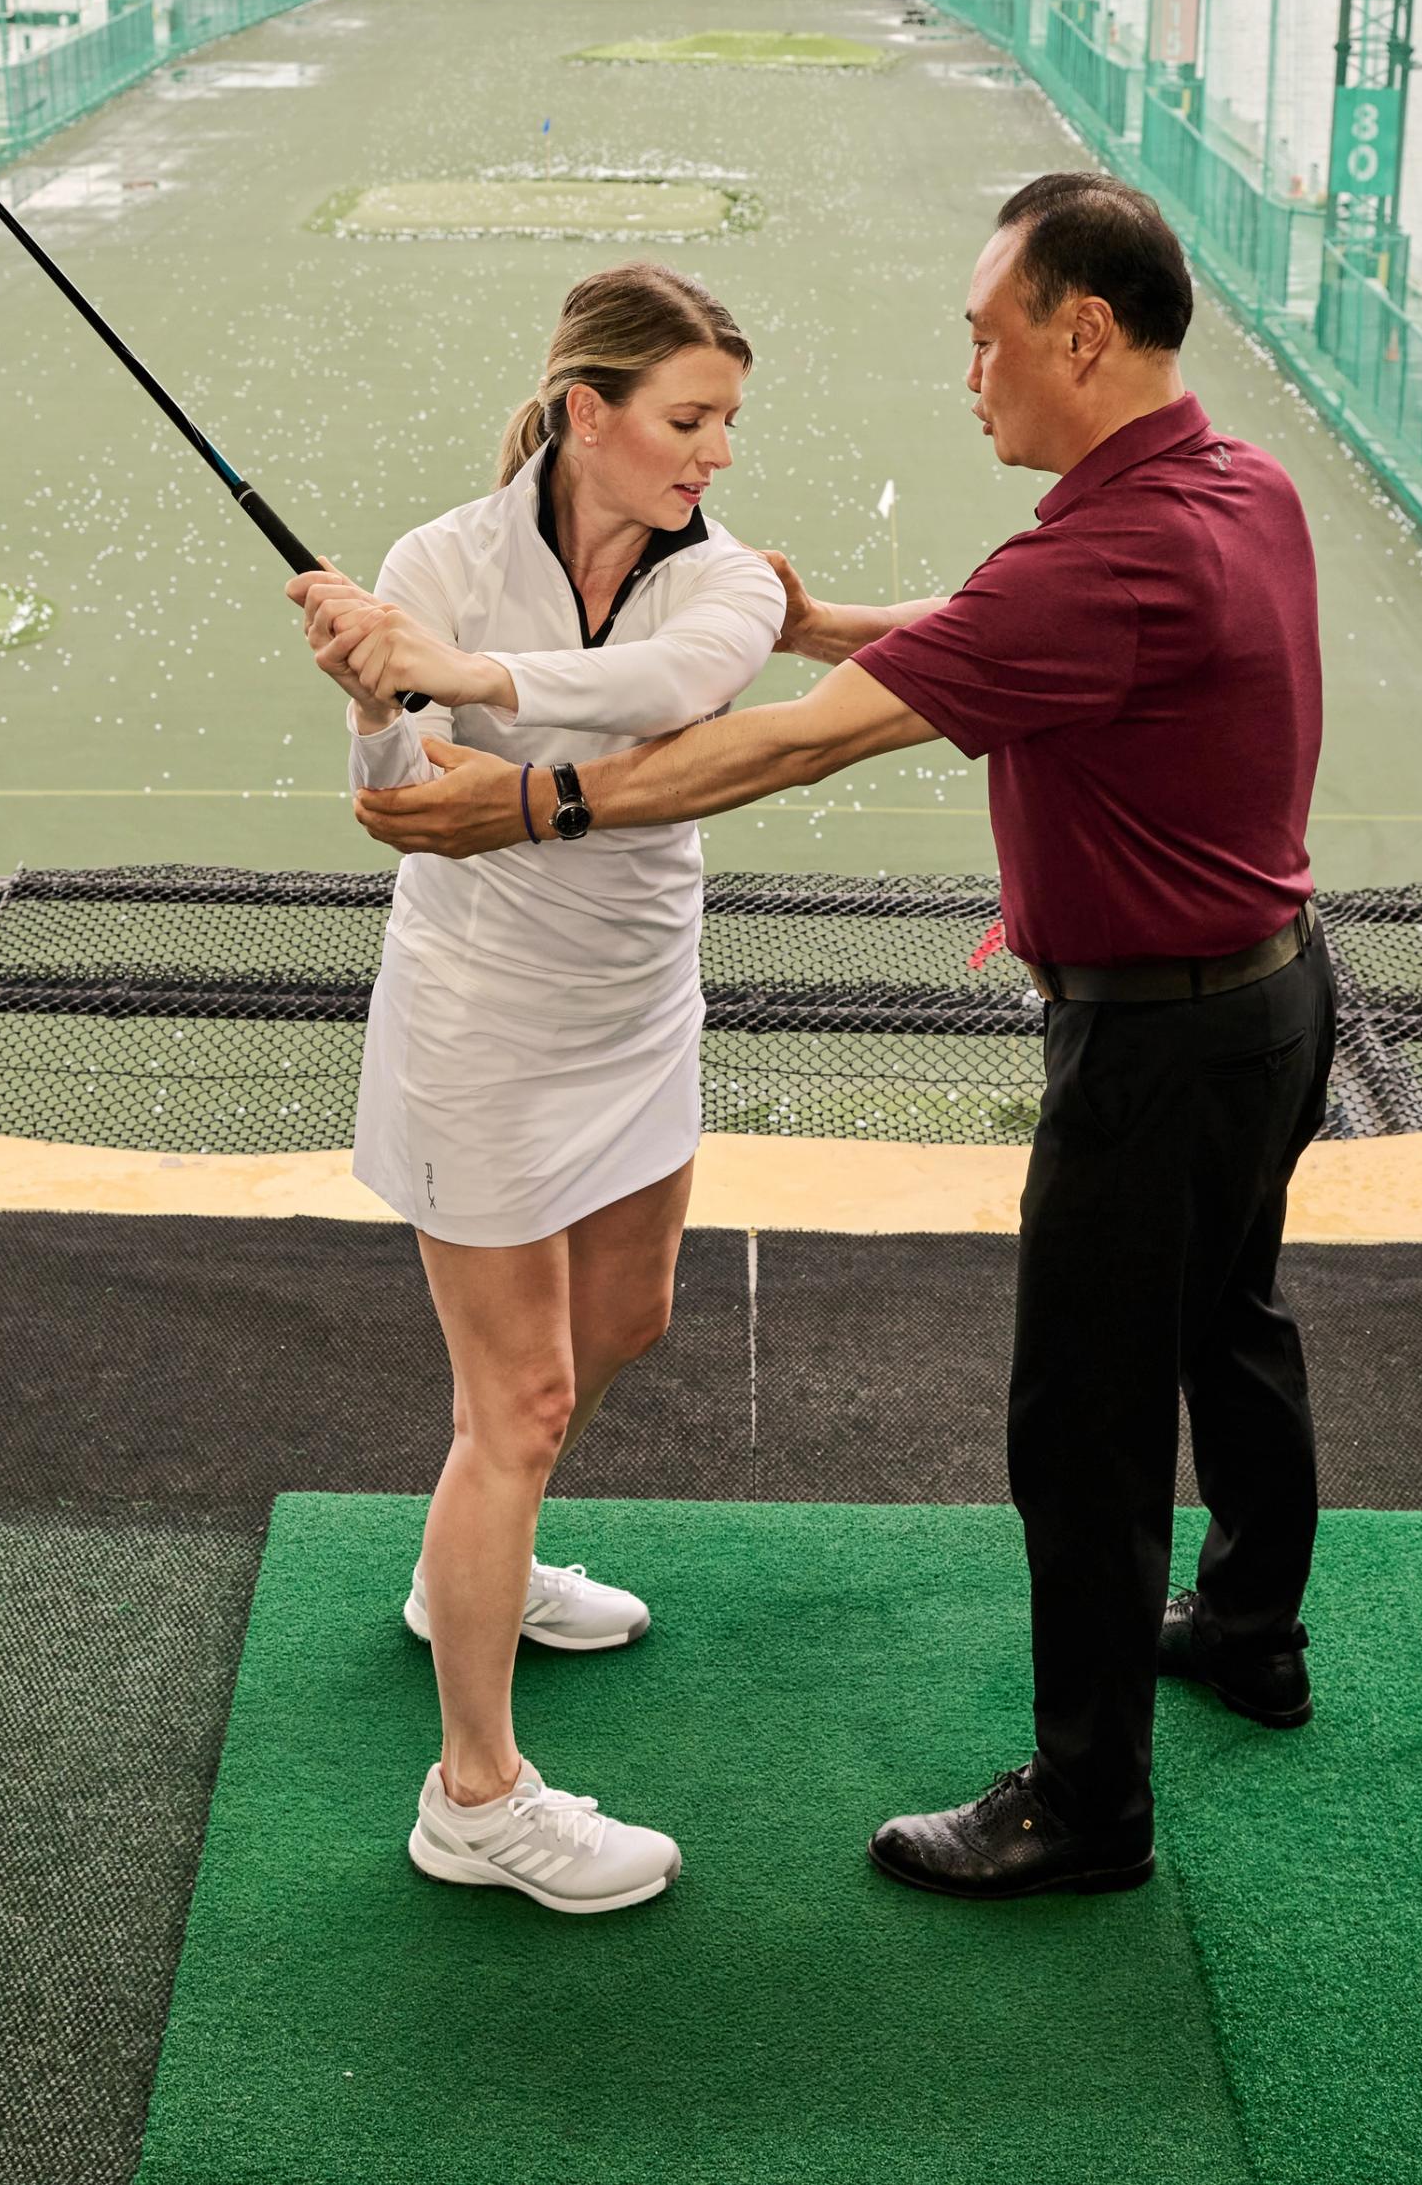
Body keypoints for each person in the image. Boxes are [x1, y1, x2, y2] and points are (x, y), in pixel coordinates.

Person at [354, 171, 1330, 1903]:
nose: (970, 372)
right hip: (1271, 1000)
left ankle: (1090, 1803)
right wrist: (819, 623)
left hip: (1155, 1048)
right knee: (1228, 1321)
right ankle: (1251, 1624)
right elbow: (1001, 644)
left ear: (1080, 333)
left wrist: (530, 803)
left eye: (983, 337)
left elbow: (787, 746)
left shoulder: (1105, 548)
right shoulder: (1235, 485)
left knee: (1086, 1428)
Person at [287, 260, 787, 1918]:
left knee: (621, 1326)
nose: (714, 453)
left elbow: (655, 705)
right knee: (520, 1404)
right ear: (591, 410)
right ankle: (475, 1794)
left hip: (639, 1009)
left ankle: (466, 1575)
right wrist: (378, 698)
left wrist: (470, 678)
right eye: (688, 419)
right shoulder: (441, 559)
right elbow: (393, 795)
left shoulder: (732, 589)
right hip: (483, 1023)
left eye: (725, 421)